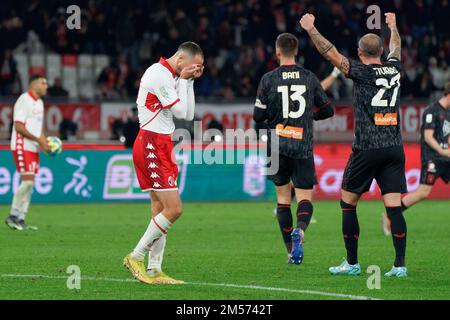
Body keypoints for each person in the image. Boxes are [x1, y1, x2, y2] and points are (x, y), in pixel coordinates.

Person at [300, 12, 408, 277]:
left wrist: (311, 29)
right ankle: (400, 265)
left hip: (367, 148)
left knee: (348, 203)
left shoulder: (361, 71)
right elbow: (397, 47)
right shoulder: (394, 68)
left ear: (360, 52)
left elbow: (330, 53)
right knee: (393, 207)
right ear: (381, 51)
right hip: (394, 147)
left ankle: (352, 263)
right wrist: (393, 26)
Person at [123, 42, 204, 284]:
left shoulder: (170, 75)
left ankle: (154, 270)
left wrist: (188, 81)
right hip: (151, 144)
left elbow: (188, 115)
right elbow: (179, 113)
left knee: (160, 211)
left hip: (160, 144)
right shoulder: (158, 74)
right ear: (180, 59)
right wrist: (184, 80)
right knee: (174, 209)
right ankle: (135, 256)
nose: (192, 71)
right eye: (191, 67)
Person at [253, 33, 334, 265]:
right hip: (302, 144)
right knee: (305, 197)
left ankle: (290, 251)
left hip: (277, 144)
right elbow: (328, 110)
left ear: (277, 52)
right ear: (296, 51)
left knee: (282, 199)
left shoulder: (268, 79)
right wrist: (309, 116)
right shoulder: (309, 78)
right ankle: (300, 229)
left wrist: (273, 118)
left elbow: (258, 116)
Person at [382, 82, 450, 235]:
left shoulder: (448, 112)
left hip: (446, 158)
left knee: (423, 193)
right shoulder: (431, 111)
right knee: (423, 193)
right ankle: (390, 214)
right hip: (432, 158)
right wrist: (443, 151)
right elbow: (428, 137)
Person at [5, 75, 50, 231]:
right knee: (28, 182)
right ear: (34, 84)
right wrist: (38, 139)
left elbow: (38, 128)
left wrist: (44, 143)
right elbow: (19, 127)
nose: (46, 86)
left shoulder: (40, 103)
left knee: (30, 185)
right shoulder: (24, 100)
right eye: (43, 83)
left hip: (33, 147)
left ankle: (21, 218)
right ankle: (12, 216)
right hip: (21, 145)